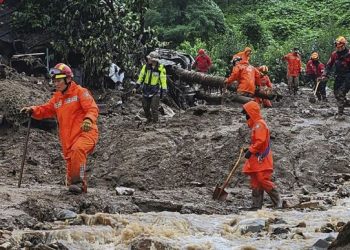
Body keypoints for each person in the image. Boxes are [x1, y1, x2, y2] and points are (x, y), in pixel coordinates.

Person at [21, 63, 99, 194]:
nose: (55, 84)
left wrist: (88, 119)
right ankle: (78, 192)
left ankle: (78, 183)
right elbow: (46, 109)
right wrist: (33, 110)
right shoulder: (57, 98)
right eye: (54, 81)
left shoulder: (80, 92)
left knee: (78, 150)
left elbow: (92, 108)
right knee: (71, 168)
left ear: (68, 79)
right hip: (68, 139)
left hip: (85, 133)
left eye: (58, 80)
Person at [241, 101, 282, 209]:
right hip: (257, 158)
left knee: (262, 179)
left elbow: (260, 141)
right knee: (255, 181)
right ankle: (256, 206)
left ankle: (278, 201)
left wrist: (251, 150)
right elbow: (258, 142)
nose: (245, 116)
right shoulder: (256, 125)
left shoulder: (259, 124)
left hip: (262, 158)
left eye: (246, 113)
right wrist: (249, 149)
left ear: (251, 113)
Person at [133, 51, 167, 123]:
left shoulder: (160, 68)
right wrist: (136, 87)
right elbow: (141, 78)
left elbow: (163, 80)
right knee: (145, 106)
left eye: (149, 59)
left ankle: (155, 122)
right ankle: (149, 119)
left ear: (153, 60)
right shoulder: (145, 67)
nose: (148, 60)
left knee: (154, 107)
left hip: (155, 90)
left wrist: (164, 91)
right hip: (146, 90)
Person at [322, 36, 350, 120]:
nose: (338, 49)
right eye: (337, 47)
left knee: (341, 93)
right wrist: (325, 74)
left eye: (340, 47)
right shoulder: (334, 54)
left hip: (348, 75)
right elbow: (329, 65)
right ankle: (346, 103)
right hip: (339, 75)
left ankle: (340, 113)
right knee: (336, 92)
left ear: (344, 45)